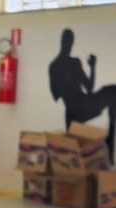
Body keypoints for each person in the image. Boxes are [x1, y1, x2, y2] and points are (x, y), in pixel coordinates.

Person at [49, 27, 116, 163]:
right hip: (79, 108)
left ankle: (109, 146)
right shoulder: (62, 65)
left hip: (78, 107)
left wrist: (92, 67)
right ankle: (109, 147)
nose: (68, 45)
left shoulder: (60, 65)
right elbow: (58, 94)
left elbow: (57, 95)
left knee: (113, 91)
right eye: (67, 41)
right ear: (64, 42)